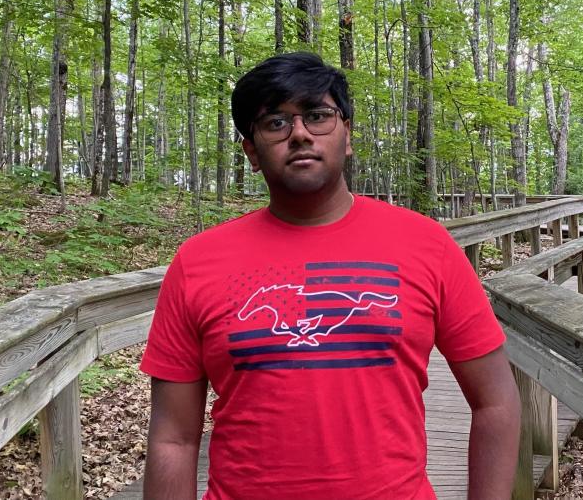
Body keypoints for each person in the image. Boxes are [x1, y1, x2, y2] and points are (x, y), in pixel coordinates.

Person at [140, 52, 520, 500]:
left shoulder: (426, 246)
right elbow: (173, 438)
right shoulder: (198, 262)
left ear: (348, 136)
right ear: (252, 153)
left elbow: (495, 401)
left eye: (317, 116)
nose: (299, 134)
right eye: (275, 123)